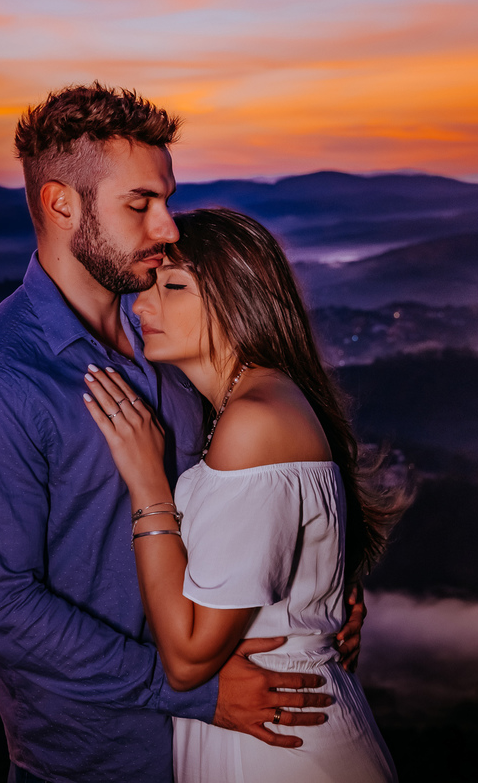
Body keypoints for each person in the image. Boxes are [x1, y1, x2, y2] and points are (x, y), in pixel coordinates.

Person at [0, 84, 364, 783]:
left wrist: (311, 596)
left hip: (232, 738)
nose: (166, 228)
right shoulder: (1, 382)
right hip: (102, 757)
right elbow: (0, 604)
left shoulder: (172, 332)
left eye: (165, 200)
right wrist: (192, 691)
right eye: (140, 205)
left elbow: (252, 496)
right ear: (62, 205)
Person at [81, 208, 408, 782]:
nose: (140, 305)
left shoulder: (253, 420)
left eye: (173, 287)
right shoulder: (255, 402)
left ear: (240, 300)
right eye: (148, 284)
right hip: (271, 725)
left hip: (279, 743)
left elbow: (187, 662)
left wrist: (147, 482)